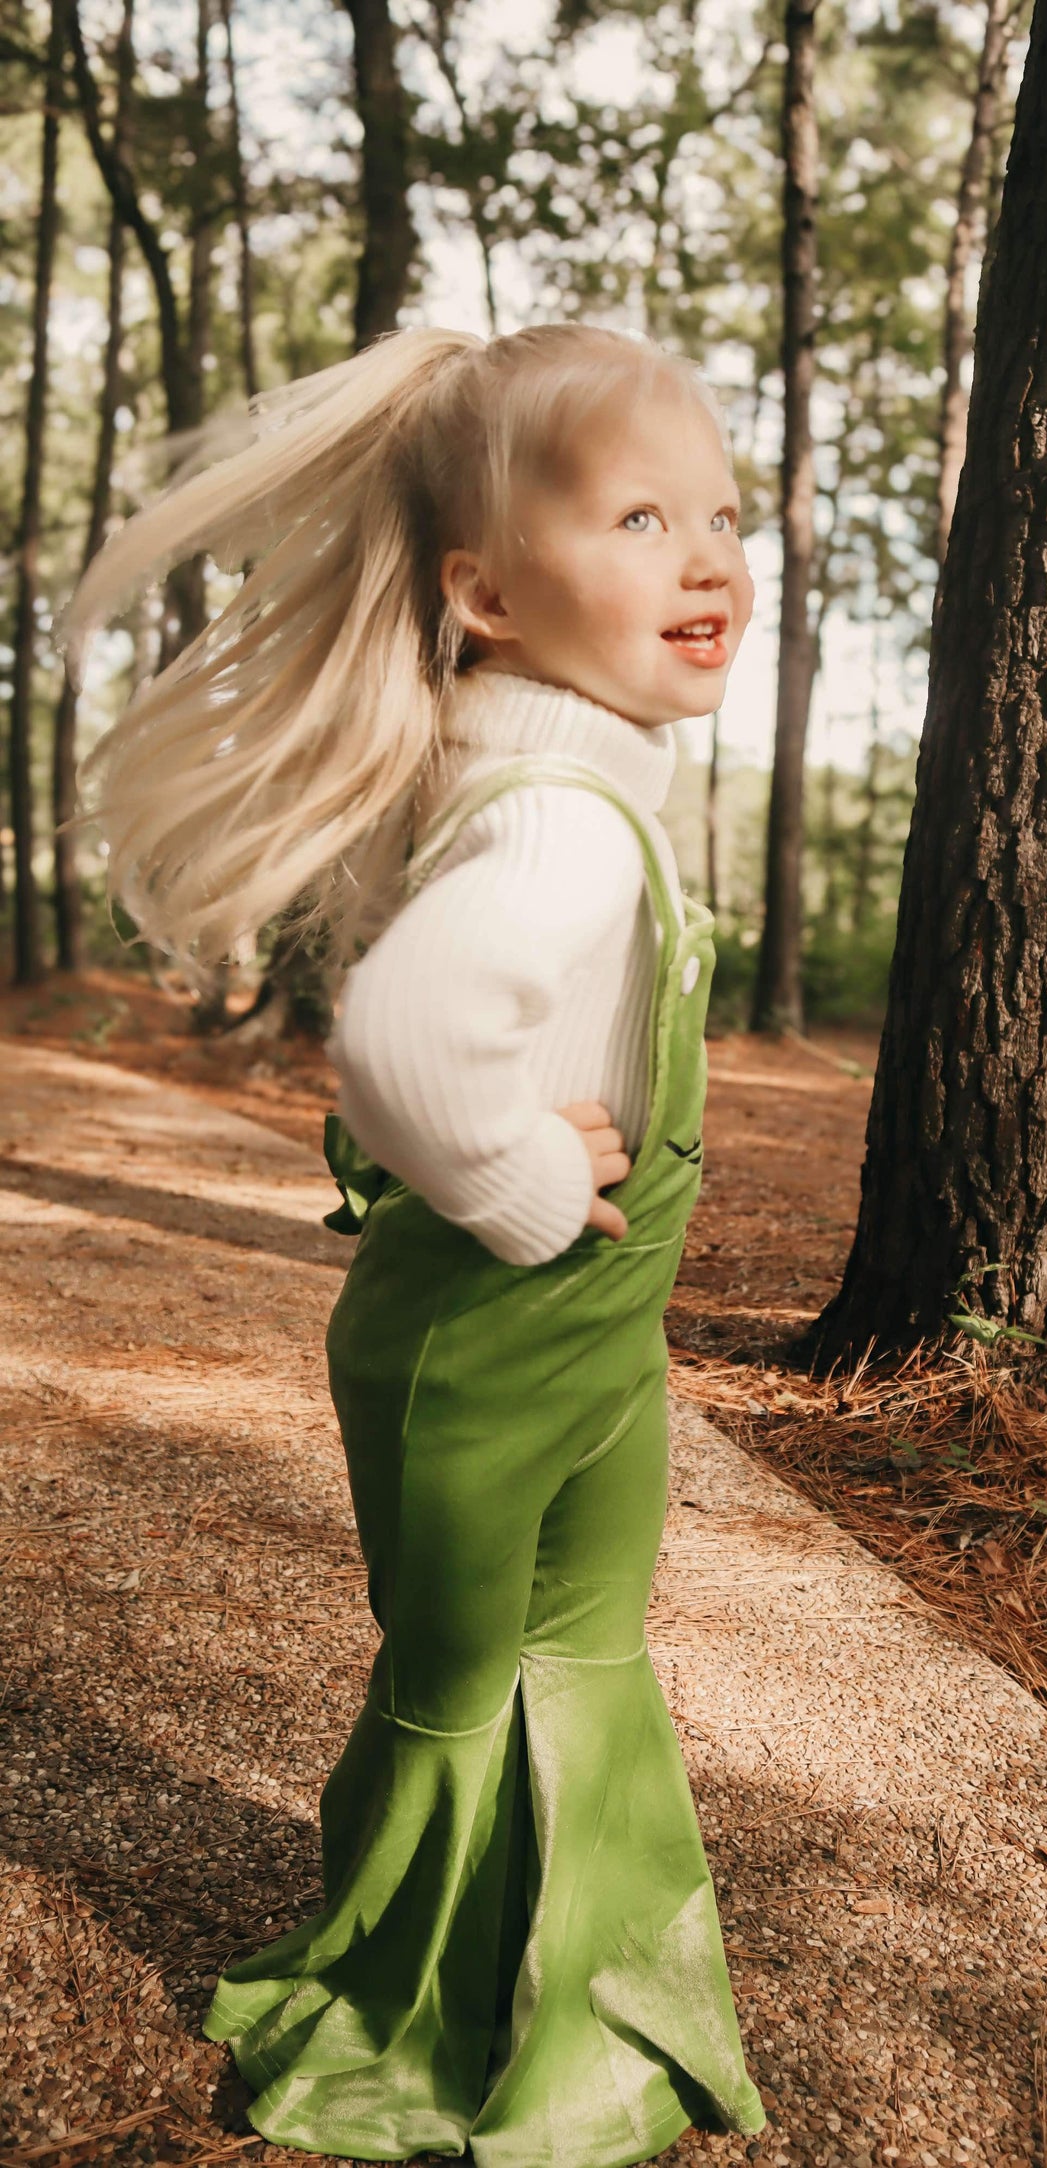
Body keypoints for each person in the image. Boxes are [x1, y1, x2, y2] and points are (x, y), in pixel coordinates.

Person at [65, 324, 767, 2166]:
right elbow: (396, 1043)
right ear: (489, 592)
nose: (709, 557)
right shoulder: (557, 821)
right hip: (484, 1335)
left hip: (585, 1342)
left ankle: (587, 1996)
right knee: (466, 1679)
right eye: (638, 514)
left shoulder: (575, 775)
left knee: (585, 1653)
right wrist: (522, 1180)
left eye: (721, 511)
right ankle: (429, 2016)